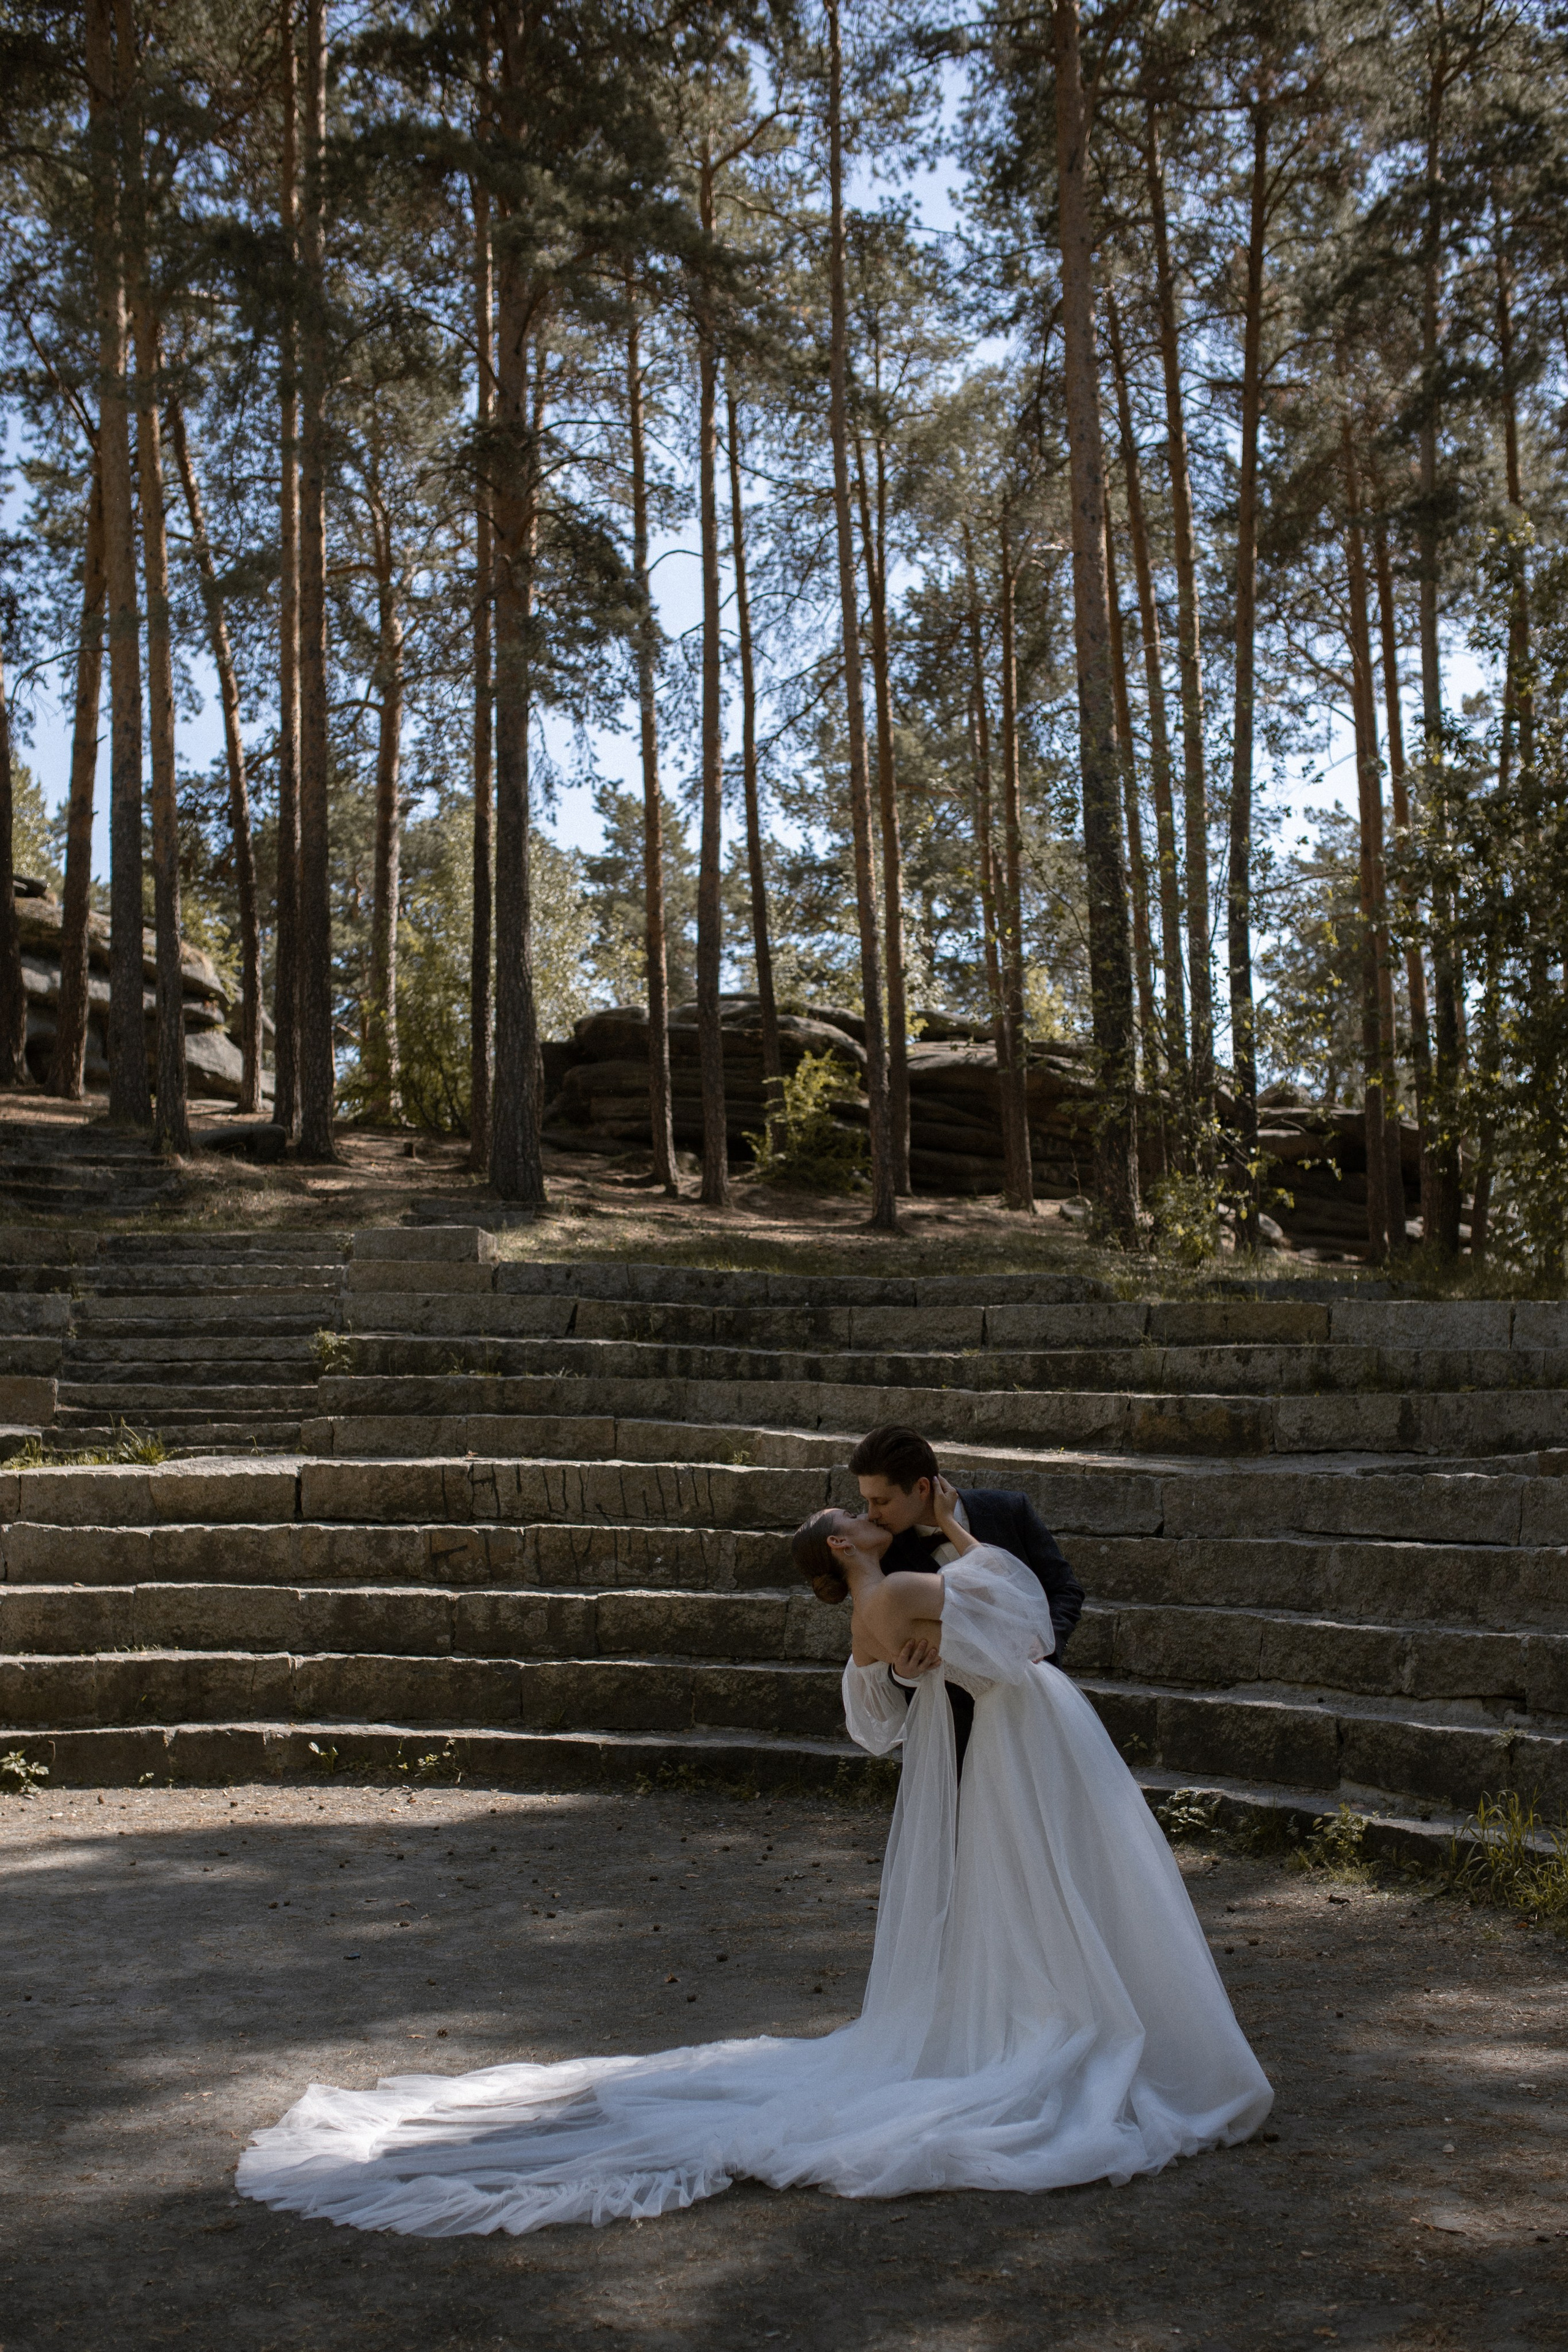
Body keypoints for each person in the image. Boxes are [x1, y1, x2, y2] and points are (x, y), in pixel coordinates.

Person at [236, 1484, 1271, 2237]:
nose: (870, 1515)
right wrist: (931, 1599)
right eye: (856, 1520)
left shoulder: (930, 1560)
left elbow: (985, 1646)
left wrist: (948, 1644)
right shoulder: (889, 1588)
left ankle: (1048, 2012)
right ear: (844, 1551)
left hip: (1014, 1735)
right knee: (1017, 1900)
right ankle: (1033, 2028)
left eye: (870, 1507)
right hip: (987, 1752)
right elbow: (950, 1674)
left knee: (1052, 1889)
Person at [848, 1423, 1083, 1768]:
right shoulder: (884, 1553)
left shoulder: (1008, 1510)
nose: (871, 1514)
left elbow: (1064, 1589)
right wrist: (901, 1672)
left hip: (1035, 1699)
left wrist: (1045, 1642)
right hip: (955, 1732)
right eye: (866, 1501)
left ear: (922, 1487)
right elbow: (876, 1637)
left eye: (881, 1501)